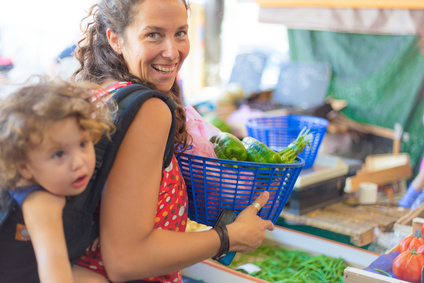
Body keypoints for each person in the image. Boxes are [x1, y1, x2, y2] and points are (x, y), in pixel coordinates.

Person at [72, 0, 275, 282]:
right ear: (115, 39)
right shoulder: (148, 110)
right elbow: (126, 260)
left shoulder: (98, 92)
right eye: (153, 34)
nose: (172, 52)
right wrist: (229, 237)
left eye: (180, 32)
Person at [0, 76, 114, 283]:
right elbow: (53, 260)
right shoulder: (41, 202)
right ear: (24, 167)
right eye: (59, 154)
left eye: (82, 144)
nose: (78, 162)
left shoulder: (49, 181)